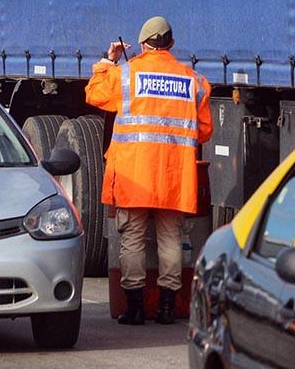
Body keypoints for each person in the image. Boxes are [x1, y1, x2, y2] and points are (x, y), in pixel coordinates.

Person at [85, 16, 213, 325]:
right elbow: (204, 130)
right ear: (170, 43)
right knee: (171, 240)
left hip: (134, 177)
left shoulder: (126, 75)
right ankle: (168, 308)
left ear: (143, 44)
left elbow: (93, 94)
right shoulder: (192, 81)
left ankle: (136, 308)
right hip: (173, 177)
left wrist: (108, 60)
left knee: (133, 240)